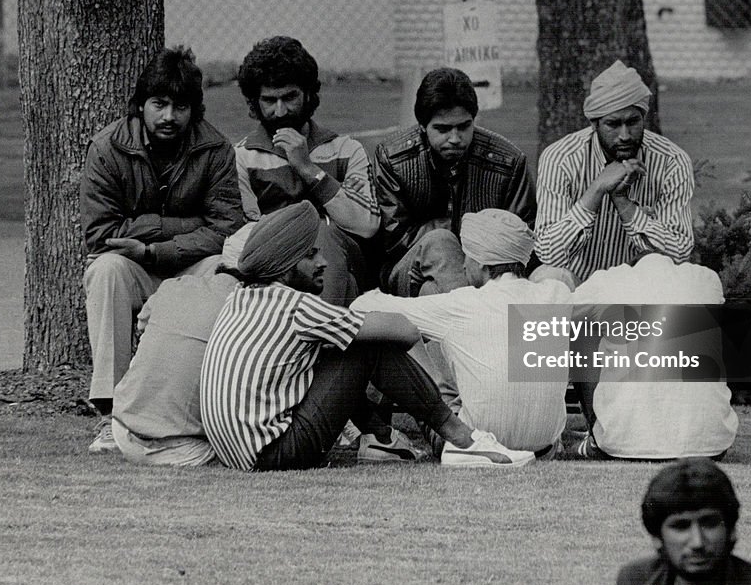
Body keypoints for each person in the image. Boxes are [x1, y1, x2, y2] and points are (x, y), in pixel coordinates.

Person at [199, 200, 535, 471]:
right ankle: (462, 439)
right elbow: (404, 331)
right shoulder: (297, 306)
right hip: (274, 453)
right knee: (365, 347)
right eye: (312, 254)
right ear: (285, 266)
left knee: (339, 345)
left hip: (237, 454)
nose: (324, 263)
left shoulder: (240, 297)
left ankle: (382, 437)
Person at [80, 46, 245, 454]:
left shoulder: (215, 149)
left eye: (180, 106)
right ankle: (111, 413)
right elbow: (101, 233)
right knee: (106, 272)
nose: (169, 117)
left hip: (186, 264)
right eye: (159, 104)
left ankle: (206, 406)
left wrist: (155, 247)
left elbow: (226, 229)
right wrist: (184, 227)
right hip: (131, 266)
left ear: (195, 110)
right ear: (140, 106)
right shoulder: (107, 147)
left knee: (223, 270)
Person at [351, 209, 572, 454]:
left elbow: (363, 306)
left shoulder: (461, 303)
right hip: (544, 446)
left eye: (466, 256)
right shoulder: (556, 293)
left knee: (409, 312)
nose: (463, 264)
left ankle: (380, 434)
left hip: (471, 442)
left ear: (482, 263)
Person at [233, 36, 379, 306]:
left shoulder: (346, 150)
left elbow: (365, 224)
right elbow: (249, 236)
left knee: (323, 237)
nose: (280, 111)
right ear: (254, 102)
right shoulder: (242, 158)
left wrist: (308, 169)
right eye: (269, 100)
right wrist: (336, 203)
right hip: (276, 276)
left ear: (310, 95)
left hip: (340, 265)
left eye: (290, 97)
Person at [374, 67, 536, 297]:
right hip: (410, 270)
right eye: (442, 129)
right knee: (440, 243)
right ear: (422, 126)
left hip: (487, 274)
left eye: (464, 126)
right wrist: (466, 238)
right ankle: (483, 320)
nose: (455, 138)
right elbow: (395, 240)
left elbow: (523, 238)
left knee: (432, 292)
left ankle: (473, 318)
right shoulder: (393, 158)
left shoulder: (508, 161)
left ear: (474, 120)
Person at [535, 60, 694, 286]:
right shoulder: (560, 158)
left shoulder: (672, 162)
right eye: (613, 124)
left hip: (638, 286)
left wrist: (624, 203)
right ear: (594, 123)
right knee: (547, 278)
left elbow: (679, 254)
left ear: (644, 117)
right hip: (576, 285)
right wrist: (597, 189)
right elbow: (549, 254)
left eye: (633, 122)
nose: (625, 135)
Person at [570, 254, 738, 461]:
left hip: (620, 445)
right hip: (712, 446)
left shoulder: (606, 281)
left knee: (579, 331)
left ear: (629, 265)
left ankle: (597, 435)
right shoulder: (707, 280)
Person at [615, 458, 751, 585]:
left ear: (731, 530)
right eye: (681, 527)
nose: (697, 542)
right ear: (657, 537)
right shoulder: (636, 582)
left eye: (709, 524)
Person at [111, 269, 238, 467]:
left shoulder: (173, 285)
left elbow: (142, 325)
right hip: (181, 448)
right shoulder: (245, 305)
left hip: (122, 431)